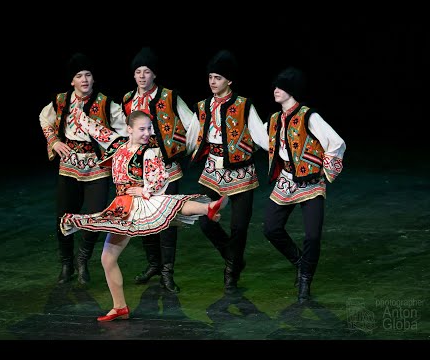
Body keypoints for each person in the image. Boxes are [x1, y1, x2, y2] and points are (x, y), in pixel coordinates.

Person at [60, 110, 228, 322]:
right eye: (142, 129)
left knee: (168, 203)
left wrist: (145, 190)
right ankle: (119, 307)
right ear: (129, 129)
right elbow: (98, 131)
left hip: (137, 203)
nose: (147, 133)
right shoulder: (118, 144)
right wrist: (76, 112)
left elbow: (159, 177)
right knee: (107, 259)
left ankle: (209, 208)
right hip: (121, 206)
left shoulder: (149, 152)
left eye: (149, 129)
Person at [39, 52, 127, 285]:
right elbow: (44, 118)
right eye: (79, 76)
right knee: (63, 214)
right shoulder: (61, 101)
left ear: (93, 78)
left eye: (88, 75)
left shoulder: (106, 103)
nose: (85, 79)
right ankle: (66, 263)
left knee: (95, 215)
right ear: (72, 81)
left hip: (96, 167)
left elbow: (123, 132)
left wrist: (110, 148)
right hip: (69, 165)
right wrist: (54, 141)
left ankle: (82, 259)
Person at [186, 49, 269, 294]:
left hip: (241, 172)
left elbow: (261, 137)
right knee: (205, 220)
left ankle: (231, 271)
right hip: (213, 169)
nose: (213, 82)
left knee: (239, 227)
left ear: (229, 81)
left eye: (218, 78)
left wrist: (285, 152)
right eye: (211, 77)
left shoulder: (243, 105)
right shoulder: (202, 106)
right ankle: (233, 257)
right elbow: (192, 136)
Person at [263, 66, 346, 303]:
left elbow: (336, 142)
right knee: (271, 228)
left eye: (281, 87)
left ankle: (305, 279)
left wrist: (325, 171)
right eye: (276, 86)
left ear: (292, 91)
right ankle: (300, 262)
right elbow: (267, 141)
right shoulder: (275, 118)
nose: (275, 90)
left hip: (310, 182)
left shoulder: (309, 116)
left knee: (312, 236)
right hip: (287, 181)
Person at [122, 47, 194, 293]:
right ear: (134, 75)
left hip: (165, 167)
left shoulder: (169, 97)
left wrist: (181, 148)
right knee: (143, 216)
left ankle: (167, 272)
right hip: (140, 170)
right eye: (138, 72)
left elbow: (192, 123)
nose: (142, 76)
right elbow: (125, 131)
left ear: (154, 74)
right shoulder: (128, 100)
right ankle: (154, 264)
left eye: (147, 71)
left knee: (168, 218)